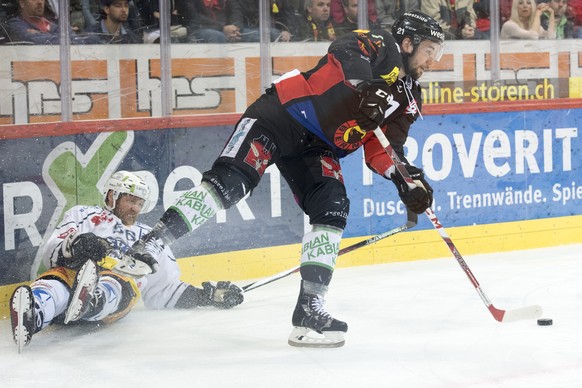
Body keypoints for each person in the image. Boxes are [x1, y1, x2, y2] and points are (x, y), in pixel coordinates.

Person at [130, 11, 443, 348]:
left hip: (319, 147)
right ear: (408, 42)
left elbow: (384, 150)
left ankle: (310, 307)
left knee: (333, 207)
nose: (432, 61)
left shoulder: (409, 98)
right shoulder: (384, 46)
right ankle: (152, 242)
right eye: (429, 50)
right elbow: (345, 47)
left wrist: (404, 179)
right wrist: (364, 87)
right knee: (232, 181)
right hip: (281, 115)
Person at [10, 171, 244, 351]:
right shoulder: (82, 215)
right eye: (131, 200)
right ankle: (35, 314)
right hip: (74, 272)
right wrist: (77, 245)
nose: (135, 208)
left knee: (118, 282)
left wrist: (209, 295)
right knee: (54, 283)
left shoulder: (150, 237)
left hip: (115, 287)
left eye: (140, 204)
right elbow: (52, 249)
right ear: (112, 196)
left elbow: (166, 289)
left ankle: (92, 301)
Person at [7, 0, 99, 43]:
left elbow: (78, 41)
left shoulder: (55, 23)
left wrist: (40, 34)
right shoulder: (16, 24)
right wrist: (63, 37)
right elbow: (38, 41)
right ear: (22, 3)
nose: (40, 2)